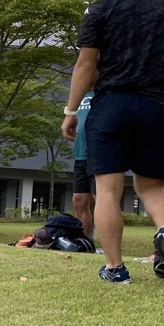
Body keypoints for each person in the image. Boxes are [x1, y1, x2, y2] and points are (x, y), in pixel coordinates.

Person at [60, 0, 164, 284]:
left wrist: (71, 110)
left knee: (107, 189)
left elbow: (85, 66)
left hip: (111, 106)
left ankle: (115, 268)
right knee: (152, 188)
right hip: (156, 106)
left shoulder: (100, 10)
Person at [71, 89, 96, 240]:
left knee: (101, 199)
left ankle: (108, 246)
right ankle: (85, 241)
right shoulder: (79, 96)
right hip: (80, 156)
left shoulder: (104, 91)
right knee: (78, 200)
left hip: (100, 155)